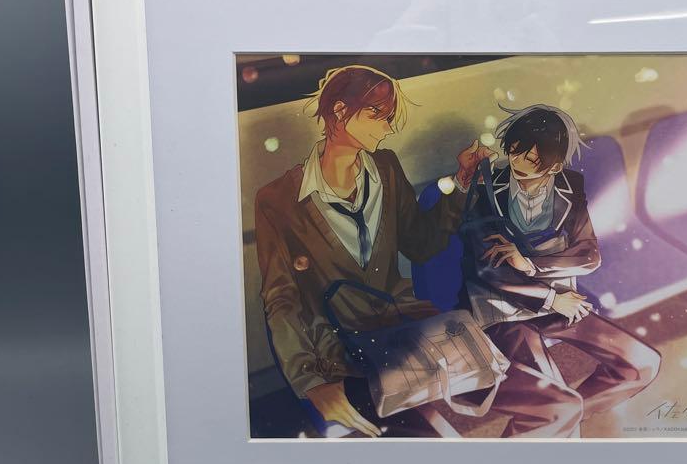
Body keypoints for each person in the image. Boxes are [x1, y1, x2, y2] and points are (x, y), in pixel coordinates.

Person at [254, 65, 583, 437]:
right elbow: (281, 300)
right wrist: (310, 381)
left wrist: (460, 183)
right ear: (341, 112)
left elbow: (420, 244)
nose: (388, 128)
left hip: (415, 330)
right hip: (345, 351)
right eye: (378, 115)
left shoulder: (386, 167)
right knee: (437, 445)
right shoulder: (277, 200)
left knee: (561, 407)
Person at [462, 104, 661, 422]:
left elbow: (589, 255)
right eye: (514, 151)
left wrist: (532, 264)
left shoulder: (570, 185)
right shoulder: (485, 188)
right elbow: (488, 270)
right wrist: (551, 297)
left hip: (558, 300)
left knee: (641, 364)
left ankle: (567, 419)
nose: (516, 162)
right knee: (555, 401)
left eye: (530, 159)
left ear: (554, 166)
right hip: (505, 310)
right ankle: (560, 421)